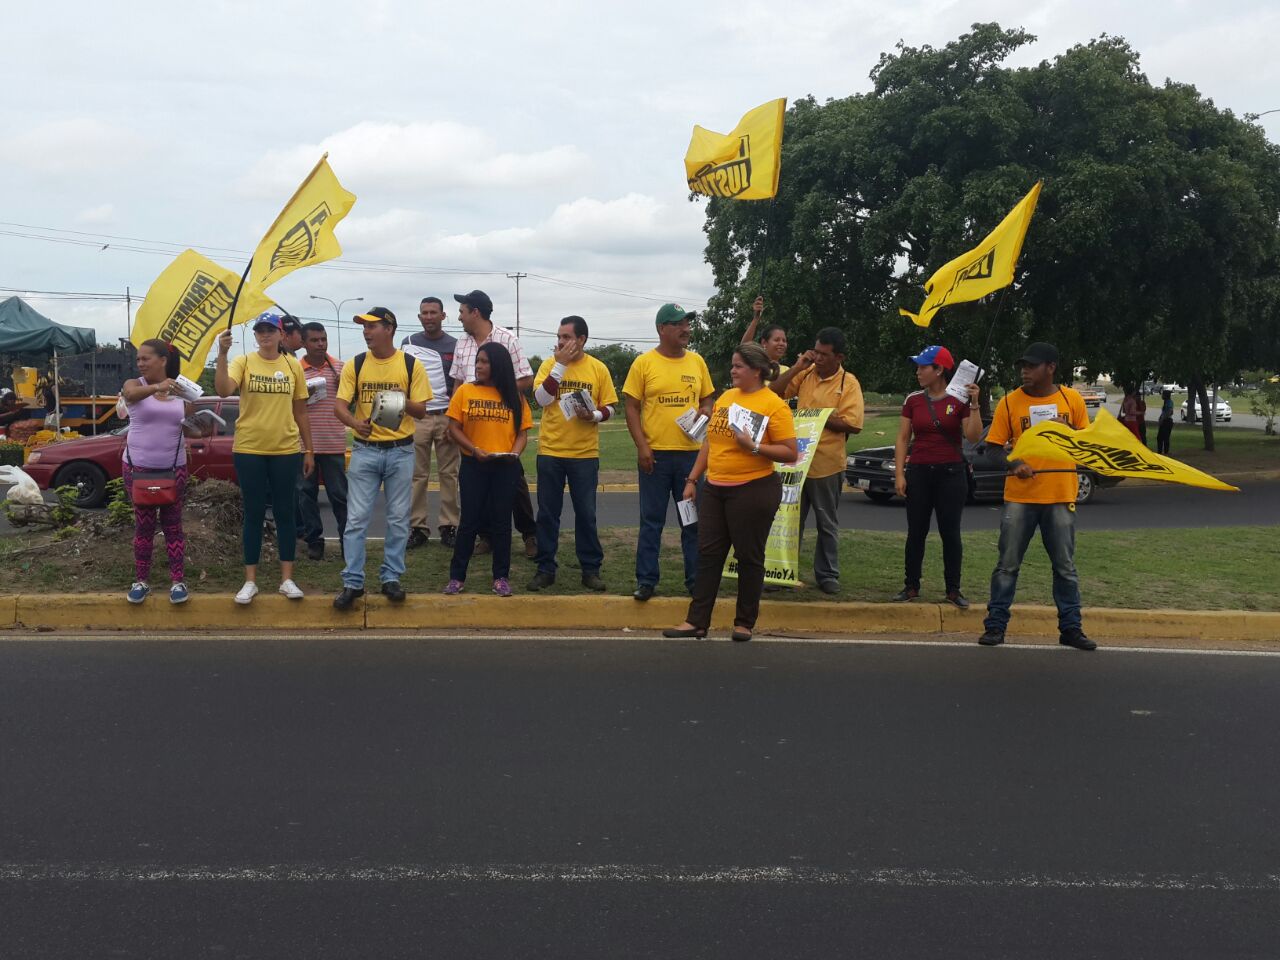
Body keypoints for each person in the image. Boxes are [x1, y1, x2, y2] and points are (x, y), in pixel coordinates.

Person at [664, 343, 798, 640]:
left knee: (749, 556)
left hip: (754, 489)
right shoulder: (726, 397)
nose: (732, 370)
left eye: (738, 366)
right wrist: (692, 480)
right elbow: (710, 442)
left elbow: (790, 452)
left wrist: (754, 446)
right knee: (708, 553)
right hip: (715, 487)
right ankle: (697, 621)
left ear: (757, 371)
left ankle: (744, 623)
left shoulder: (772, 404)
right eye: (733, 365)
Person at [979, 341, 1096, 650]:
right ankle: (995, 626)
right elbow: (991, 450)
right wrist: (1014, 464)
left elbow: (1087, 446)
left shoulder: (1071, 400)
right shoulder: (1009, 403)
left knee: (1065, 567)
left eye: (1031, 365)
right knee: (1007, 564)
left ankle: (1071, 629)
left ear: (1051, 368)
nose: (1024, 371)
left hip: (1059, 494)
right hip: (1020, 497)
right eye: (1023, 366)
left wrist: (1069, 429)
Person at [332, 308, 431, 610]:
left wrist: (401, 397)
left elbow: (422, 411)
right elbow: (339, 406)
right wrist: (353, 422)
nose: (366, 331)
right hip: (364, 450)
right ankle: (353, 582)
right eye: (363, 326)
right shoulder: (356, 364)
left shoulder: (411, 364)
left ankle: (391, 578)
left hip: (401, 450)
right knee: (356, 520)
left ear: (389, 328)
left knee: (399, 519)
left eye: (371, 326)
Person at [215, 313, 315, 604]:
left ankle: (286, 579)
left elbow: (301, 412)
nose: (265, 335)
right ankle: (250, 581)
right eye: (260, 331)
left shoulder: (292, 365)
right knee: (254, 513)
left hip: (285, 449)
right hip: (249, 449)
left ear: (281, 334)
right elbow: (224, 389)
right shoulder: (244, 362)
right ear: (255, 335)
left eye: (271, 330)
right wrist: (222, 353)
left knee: (286, 513)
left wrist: (309, 450)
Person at [622, 303, 715, 601]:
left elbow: (709, 400)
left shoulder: (697, 362)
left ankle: (695, 581)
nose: (686, 329)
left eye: (687, 323)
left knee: (691, 521)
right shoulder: (643, 364)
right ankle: (646, 581)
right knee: (652, 520)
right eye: (678, 324)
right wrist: (642, 446)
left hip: (690, 458)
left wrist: (705, 410)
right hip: (656, 458)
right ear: (662, 329)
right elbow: (631, 407)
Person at [769, 327, 864, 594]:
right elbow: (775, 392)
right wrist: (798, 366)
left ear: (839, 357)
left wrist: (817, 417)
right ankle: (782, 573)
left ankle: (827, 575)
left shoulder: (849, 383)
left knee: (826, 522)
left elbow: (854, 424)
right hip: (796, 463)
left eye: (824, 354)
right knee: (789, 520)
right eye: (816, 352)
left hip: (826, 464)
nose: (818, 358)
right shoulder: (806, 374)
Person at [528, 316, 618, 592]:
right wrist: (560, 365)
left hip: (584, 454)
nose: (561, 342)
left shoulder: (598, 368)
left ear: (582, 340)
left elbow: (611, 407)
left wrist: (593, 415)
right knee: (547, 514)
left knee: (586, 514)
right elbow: (541, 400)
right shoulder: (549, 365)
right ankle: (545, 568)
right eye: (559, 336)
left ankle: (590, 569)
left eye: (567, 337)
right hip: (551, 451)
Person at [891, 346, 983, 607]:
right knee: (916, 532)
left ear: (939, 369)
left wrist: (974, 404)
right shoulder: (913, 400)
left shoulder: (961, 400)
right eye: (918, 366)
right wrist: (899, 473)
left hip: (951, 473)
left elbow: (974, 437)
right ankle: (911, 585)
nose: (918, 371)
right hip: (919, 471)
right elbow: (902, 437)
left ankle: (953, 589)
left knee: (950, 532)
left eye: (923, 366)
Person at [450, 290, 538, 558]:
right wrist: (454, 418)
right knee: (477, 484)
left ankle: (529, 534)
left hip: (503, 424)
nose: (459, 316)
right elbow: (457, 381)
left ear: (475, 312)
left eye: (462, 311)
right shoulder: (462, 343)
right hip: (471, 423)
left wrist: (492, 390)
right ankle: (486, 537)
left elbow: (525, 379)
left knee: (515, 483)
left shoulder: (507, 339)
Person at [443, 342, 532, 597]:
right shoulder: (466, 392)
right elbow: (453, 428)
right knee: (469, 521)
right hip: (474, 464)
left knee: (502, 522)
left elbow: (522, 433)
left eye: (484, 362)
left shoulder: (514, 396)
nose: (478, 366)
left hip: (505, 466)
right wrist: (473, 449)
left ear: (498, 365)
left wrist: (514, 454)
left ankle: (501, 577)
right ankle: (457, 578)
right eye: (477, 362)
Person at [120, 340, 201, 604]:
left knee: (173, 526)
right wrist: (158, 387)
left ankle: (178, 582)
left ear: (163, 360)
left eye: (146, 358)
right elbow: (129, 397)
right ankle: (141, 580)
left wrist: (202, 423)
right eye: (139, 359)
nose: (140, 363)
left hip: (173, 467)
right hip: (138, 467)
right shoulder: (135, 384)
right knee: (143, 527)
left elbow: (191, 428)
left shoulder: (181, 391)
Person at [403, 296, 459, 549]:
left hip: (447, 415)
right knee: (417, 475)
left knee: (449, 473)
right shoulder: (409, 343)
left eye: (433, 312)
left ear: (443, 316)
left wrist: (455, 420)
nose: (428, 317)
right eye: (424, 313)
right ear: (419, 317)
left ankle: (449, 525)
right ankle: (418, 527)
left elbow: (460, 383)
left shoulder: (456, 345)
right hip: (418, 417)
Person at [297, 322, 348, 561]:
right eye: (315, 340)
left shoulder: (340, 367)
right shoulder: (295, 370)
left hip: (333, 443)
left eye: (323, 339)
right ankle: (314, 540)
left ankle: (347, 541)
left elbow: (352, 404)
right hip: (304, 445)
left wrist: (344, 384)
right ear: (304, 343)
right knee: (306, 494)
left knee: (339, 495)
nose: (320, 344)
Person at [740, 295, 788, 377]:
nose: (781, 343)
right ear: (764, 343)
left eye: (784, 341)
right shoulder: (755, 367)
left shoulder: (788, 371)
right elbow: (743, 349)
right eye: (776, 340)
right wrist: (756, 319)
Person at [1156, 388, 1174, 455]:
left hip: (1167, 421)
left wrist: (1162, 419)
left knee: (1163, 437)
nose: (1162, 396)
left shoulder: (1169, 402)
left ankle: (1164, 452)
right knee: (1161, 437)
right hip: (1165, 420)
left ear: (1166, 395)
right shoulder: (1166, 402)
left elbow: (1169, 412)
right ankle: (1161, 451)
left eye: (1163, 394)